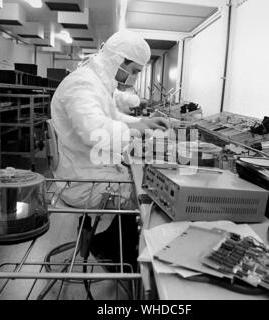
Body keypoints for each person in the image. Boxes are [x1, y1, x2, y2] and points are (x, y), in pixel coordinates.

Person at [51, 30, 169, 269]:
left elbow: (112, 116)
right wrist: (139, 132)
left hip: (88, 170)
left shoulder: (96, 81)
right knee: (146, 196)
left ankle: (109, 244)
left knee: (140, 183)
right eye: (135, 71)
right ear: (119, 60)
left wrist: (141, 123)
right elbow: (93, 130)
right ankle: (114, 252)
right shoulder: (82, 83)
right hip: (83, 181)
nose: (134, 77)